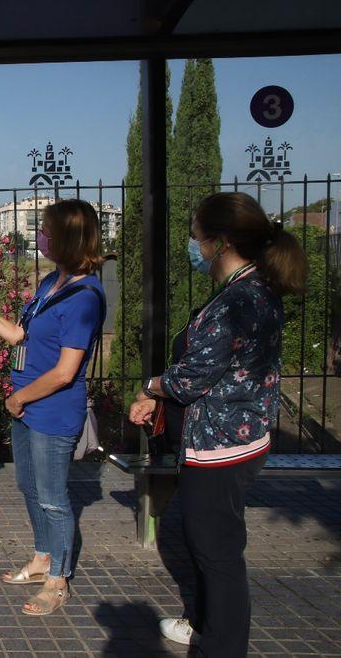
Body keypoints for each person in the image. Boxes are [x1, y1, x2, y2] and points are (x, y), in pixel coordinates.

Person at [129, 193, 306, 654]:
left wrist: (150, 387)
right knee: (214, 545)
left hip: (220, 445)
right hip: (239, 437)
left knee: (217, 554)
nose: (193, 245)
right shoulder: (254, 289)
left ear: (220, 241)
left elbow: (191, 379)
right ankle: (202, 622)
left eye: (196, 236)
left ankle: (222, 645)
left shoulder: (238, 299)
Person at [0, 198, 106, 614]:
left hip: (50, 408)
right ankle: (41, 558)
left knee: (53, 496)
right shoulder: (52, 282)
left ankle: (58, 580)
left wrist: (19, 396)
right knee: (28, 486)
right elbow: (18, 336)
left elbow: (65, 371)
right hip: (28, 407)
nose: (41, 236)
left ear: (68, 237)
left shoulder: (84, 296)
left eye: (47, 230)